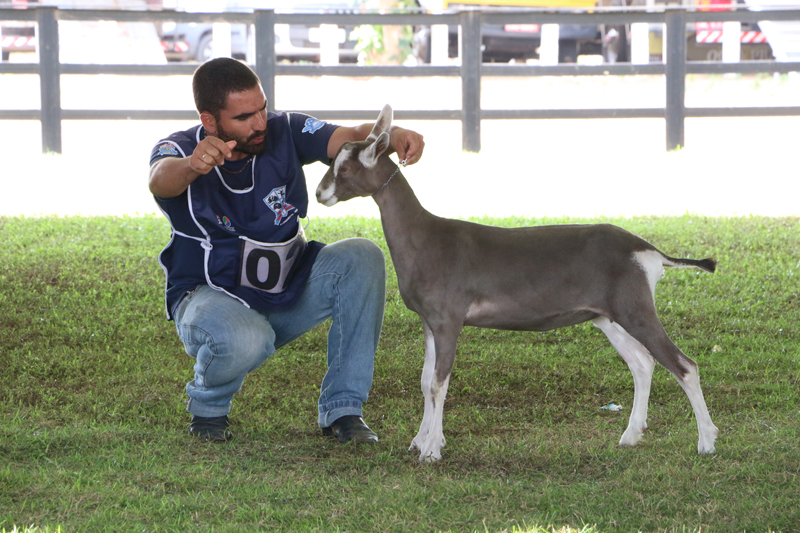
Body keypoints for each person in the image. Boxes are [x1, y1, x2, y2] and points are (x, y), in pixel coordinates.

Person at [148, 57, 424, 444]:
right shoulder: (178, 147)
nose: (260, 123)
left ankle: (343, 410)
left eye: (262, 108)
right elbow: (160, 180)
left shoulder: (286, 129)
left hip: (285, 290)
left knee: (361, 257)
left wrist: (391, 136)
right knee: (246, 339)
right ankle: (209, 408)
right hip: (209, 296)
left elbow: (350, 136)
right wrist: (193, 166)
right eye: (244, 117)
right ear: (210, 121)